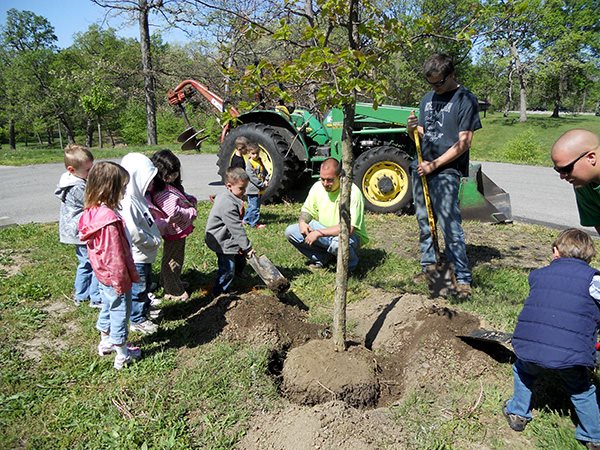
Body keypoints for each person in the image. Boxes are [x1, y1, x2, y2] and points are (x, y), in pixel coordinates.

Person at [503, 228, 600, 449]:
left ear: (555, 251)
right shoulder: (594, 280)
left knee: (523, 372)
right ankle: (594, 436)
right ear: (589, 257)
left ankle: (518, 413)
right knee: (581, 389)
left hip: (529, 346)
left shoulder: (537, 274)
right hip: (572, 354)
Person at [407, 53, 482, 299]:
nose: (434, 88)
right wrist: (411, 129)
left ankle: (462, 278)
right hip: (420, 167)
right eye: (430, 84)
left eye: (439, 83)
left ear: (451, 75)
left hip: (446, 171)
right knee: (424, 221)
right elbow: (420, 134)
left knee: (450, 225)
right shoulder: (427, 98)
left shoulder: (465, 99)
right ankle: (430, 268)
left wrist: (435, 165)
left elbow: (464, 143)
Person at [78, 162, 142, 370]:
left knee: (108, 305)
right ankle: (122, 352)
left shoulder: (92, 212)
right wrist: (120, 280)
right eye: (122, 187)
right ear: (110, 189)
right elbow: (114, 253)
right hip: (116, 275)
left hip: (102, 273)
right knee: (120, 311)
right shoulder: (109, 220)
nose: (124, 191)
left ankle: (105, 341)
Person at [284, 158, 368, 271]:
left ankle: (350, 266)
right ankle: (323, 258)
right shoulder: (317, 187)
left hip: (350, 236)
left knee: (337, 244)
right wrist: (302, 222)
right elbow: (307, 210)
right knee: (291, 231)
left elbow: (349, 228)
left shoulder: (352, 193)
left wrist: (319, 233)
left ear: (340, 176)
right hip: (324, 230)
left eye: (330, 180)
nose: (325, 183)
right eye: (322, 179)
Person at [54, 144, 102, 308]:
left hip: (77, 229)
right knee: (94, 262)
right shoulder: (77, 187)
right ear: (72, 169)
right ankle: (96, 297)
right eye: (88, 170)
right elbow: (92, 203)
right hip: (80, 230)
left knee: (86, 262)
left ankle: (82, 295)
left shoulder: (74, 180)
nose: (91, 173)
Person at [120, 153, 162, 335]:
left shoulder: (138, 198)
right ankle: (137, 319)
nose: (151, 184)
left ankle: (144, 309)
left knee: (145, 286)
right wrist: (151, 240)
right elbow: (132, 231)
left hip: (145, 254)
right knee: (138, 288)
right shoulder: (128, 201)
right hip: (138, 254)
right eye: (148, 179)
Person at [148, 149, 198, 302]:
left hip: (175, 230)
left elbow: (178, 196)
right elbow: (174, 212)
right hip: (174, 230)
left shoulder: (167, 186)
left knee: (173, 256)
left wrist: (188, 198)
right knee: (173, 260)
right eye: (170, 173)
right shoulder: (163, 193)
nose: (174, 176)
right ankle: (173, 290)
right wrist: (191, 212)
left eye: (176, 172)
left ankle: (168, 281)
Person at [205, 167, 255, 297]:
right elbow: (236, 229)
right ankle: (220, 292)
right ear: (229, 186)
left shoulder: (230, 195)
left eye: (245, 188)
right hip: (221, 239)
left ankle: (239, 273)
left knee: (240, 256)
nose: (244, 192)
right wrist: (247, 247)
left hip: (227, 234)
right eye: (241, 189)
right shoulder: (227, 203)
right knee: (227, 267)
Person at [551, 129, 600, 234]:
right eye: (558, 170)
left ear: (591, 158)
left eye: (566, 169)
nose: (562, 176)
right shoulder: (583, 187)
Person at [244, 142, 269, 229]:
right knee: (255, 208)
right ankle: (254, 223)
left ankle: (246, 220)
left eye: (257, 153)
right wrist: (261, 184)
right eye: (253, 153)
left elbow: (264, 171)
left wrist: (266, 179)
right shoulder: (249, 164)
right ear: (249, 153)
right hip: (253, 189)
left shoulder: (259, 161)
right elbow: (252, 177)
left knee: (252, 206)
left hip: (259, 189)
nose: (256, 155)